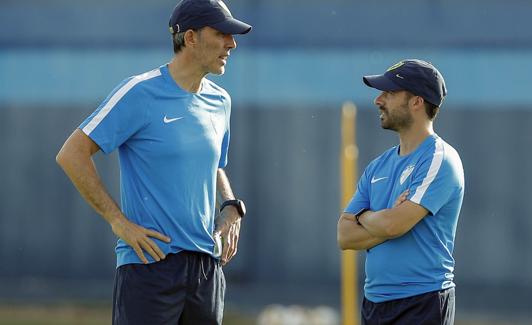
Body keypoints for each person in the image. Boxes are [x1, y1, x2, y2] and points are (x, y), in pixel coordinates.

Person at [56, 0, 251, 324]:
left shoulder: (221, 101)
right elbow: (71, 154)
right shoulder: (138, 92)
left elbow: (213, 164)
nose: (232, 44)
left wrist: (230, 204)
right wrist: (118, 222)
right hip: (150, 266)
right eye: (221, 34)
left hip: (206, 271)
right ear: (190, 38)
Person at [337, 59, 464, 325]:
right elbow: (345, 236)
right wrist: (383, 218)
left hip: (423, 302)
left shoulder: (440, 159)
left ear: (417, 102)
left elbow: (394, 225)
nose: (378, 100)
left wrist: (365, 216)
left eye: (389, 93)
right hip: (374, 304)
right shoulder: (377, 166)